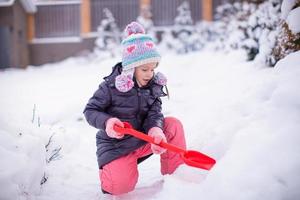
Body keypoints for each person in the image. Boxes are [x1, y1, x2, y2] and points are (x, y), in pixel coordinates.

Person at [83, 21, 186, 195]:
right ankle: (114, 173)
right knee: (120, 188)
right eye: (145, 69)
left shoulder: (152, 86)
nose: (150, 74)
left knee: (173, 125)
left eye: (153, 69)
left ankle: (175, 176)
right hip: (117, 146)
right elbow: (90, 110)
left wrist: (155, 130)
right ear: (131, 68)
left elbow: (155, 113)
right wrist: (108, 122)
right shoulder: (110, 87)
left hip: (142, 140)